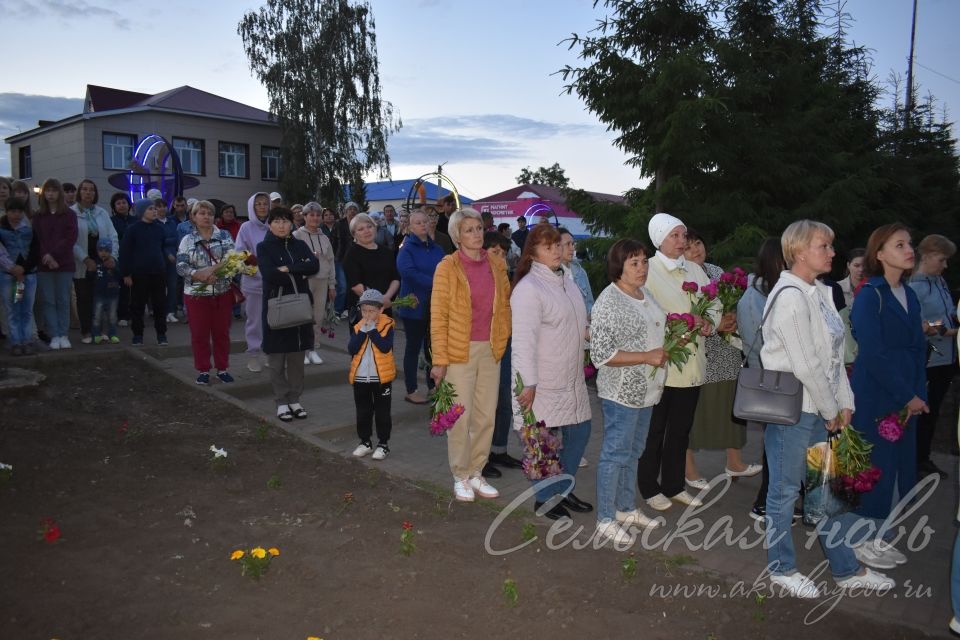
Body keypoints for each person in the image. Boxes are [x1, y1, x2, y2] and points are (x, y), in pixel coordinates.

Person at [761, 219, 892, 598]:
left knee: (827, 492)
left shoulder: (818, 291)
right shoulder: (788, 296)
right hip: (796, 412)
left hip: (820, 409)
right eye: (824, 246)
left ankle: (845, 569)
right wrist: (831, 408)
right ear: (799, 252)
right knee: (784, 493)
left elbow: (834, 356)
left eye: (831, 246)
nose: (833, 252)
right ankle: (781, 568)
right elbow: (804, 365)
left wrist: (844, 402)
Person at [849, 223, 927, 568]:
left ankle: (881, 534)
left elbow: (916, 346)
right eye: (899, 244)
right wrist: (906, 394)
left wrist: (917, 393)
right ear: (879, 254)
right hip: (878, 395)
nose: (909, 249)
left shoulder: (908, 294)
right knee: (875, 465)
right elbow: (873, 353)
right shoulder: (871, 295)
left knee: (897, 466)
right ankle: (860, 539)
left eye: (909, 243)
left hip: (904, 392)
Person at [638, 213, 722, 512]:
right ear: (659, 238)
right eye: (675, 235)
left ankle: (674, 485)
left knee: (680, 430)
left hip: (691, 364)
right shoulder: (648, 269)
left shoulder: (695, 271)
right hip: (662, 365)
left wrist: (709, 322)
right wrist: (682, 322)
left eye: (683, 235)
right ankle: (649, 487)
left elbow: (713, 302)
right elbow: (644, 310)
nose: (682, 241)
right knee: (655, 430)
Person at [590, 239, 670, 543]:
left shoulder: (644, 293)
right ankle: (605, 518)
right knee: (614, 453)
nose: (642, 268)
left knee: (634, 452)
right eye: (634, 263)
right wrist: (647, 356)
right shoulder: (609, 301)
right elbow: (601, 354)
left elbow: (657, 326)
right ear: (619, 267)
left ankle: (625, 507)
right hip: (621, 393)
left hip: (647, 390)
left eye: (644, 262)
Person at [512, 223, 592, 520]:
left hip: (570, 377)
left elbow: (578, 323)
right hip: (541, 380)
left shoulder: (567, 282)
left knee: (580, 431)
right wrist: (527, 384)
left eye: (558, 245)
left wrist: (593, 335)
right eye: (549, 247)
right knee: (541, 442)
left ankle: (563, 489)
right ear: (532, 253)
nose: (557, 251)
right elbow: (522, 341)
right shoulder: (528, 289)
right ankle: (544, 497)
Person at [430, 207, 511, 502]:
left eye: (478, 228)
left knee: (485, 415)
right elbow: (438, 317)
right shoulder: (447, 267)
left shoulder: (496, 264)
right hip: (457, 352)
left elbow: (504, 306)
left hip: (490, 350)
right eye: (469, 230)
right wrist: (439, 361)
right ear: (456, 236)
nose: (476, 234)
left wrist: (502, 339)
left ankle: (477, 471)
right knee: (459, 417)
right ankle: (460, 474)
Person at [683, 228, 761, 488]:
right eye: (688, 246)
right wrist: (716, 325)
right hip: (698, 354)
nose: (695, 250)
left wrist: (733, 319)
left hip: (727, 352)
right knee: (694, 414)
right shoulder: (681, 278)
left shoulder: (717, 272)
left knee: (731, 408)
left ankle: (734, 462)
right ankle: (689, 469)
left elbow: (736, 304)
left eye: (698, 243)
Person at [736, 238, 788, 521]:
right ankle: (765, 501)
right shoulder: (756, 296)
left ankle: (775, 498)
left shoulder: (778, 290)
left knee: (781, 442)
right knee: (778, 443)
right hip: (772, 379)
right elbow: (757, 341)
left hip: (781, 378)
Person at [257, 207, 319, 421]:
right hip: (277, 307)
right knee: (276, 360)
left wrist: (288, 269)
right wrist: (297, 270)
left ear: (292, 224)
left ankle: (295, 399)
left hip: (300, 308)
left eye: (285, 221)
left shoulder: (300, 244)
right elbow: (270, 274)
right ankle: (281, 401)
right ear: (270, 224)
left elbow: (314, 265)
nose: (281, 225)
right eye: (277, 221)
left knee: (296, 358)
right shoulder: (264, 247)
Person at [909, 234, 958, 478]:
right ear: (926, 256)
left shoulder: (939, 282)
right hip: (929, 359)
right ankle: (915, 461)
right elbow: (918, 323)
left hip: (945, 359)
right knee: (924, 412)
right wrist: (944, 329)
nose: (945, 265)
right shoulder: (915, 287)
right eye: (942, 260)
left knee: (935, 411)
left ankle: (923, 457)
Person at [177, 200, 238, 385]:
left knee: (221, 333)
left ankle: (222, 368)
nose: (206, 217)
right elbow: (181, 266)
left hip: (221, 293)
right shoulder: (187, 240)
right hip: (196, 295)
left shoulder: (225, 235)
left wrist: (214, 273)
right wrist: (198, 275)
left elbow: (233, 261)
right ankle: (203, 369)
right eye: (201, 213)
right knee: (199, 334)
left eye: (210, 213)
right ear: (193, 217)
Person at [395, 209, 446, 404]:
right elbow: (408, 272)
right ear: (409, 226)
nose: (423, 225)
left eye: (425, 221)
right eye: (418, 222)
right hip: (414, 305)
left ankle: (433, 386)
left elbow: (446, 269)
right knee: (413, 347)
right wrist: (437, 282)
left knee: (432, 348)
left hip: (436, 305)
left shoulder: (437, 249)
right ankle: (411, 389)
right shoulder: (406, 248)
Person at [483, 232, 523, 476]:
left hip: (506, 343)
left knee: (505, 399)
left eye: (503, 254)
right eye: (494, 252)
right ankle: (481, 455)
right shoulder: (477, 277)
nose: (500, 258)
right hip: (483, 345)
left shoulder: (506, 278)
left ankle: (499, 449)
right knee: (486, 403)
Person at [348, 288, 397, 460]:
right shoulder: (358, 326)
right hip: (361, 378)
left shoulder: (387, 325)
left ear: (380, 310)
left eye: (371, 311)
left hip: (381, 379)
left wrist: (373, 331)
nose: (367, 314)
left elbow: (385, 347)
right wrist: (363, 331)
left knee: (383, 412)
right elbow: (352, 349)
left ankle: (383, 444)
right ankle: (365, 442)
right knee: (363, 411)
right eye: (364, 311)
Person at [71, 179, 119, 344]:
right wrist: (85, 258)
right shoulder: (72, 213)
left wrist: (113, 257)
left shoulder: (102, 213)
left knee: (102, 297)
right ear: (79, 192)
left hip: (103, 262)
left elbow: (113, 236)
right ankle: (86, 331)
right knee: (84, 298)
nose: (88, 192)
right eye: (84, 189)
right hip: (82, 262)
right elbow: (71, 241)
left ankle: (102, 330)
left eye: (91, 189)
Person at [33, 178, 79, 350]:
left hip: (64, 264)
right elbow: (37, 239)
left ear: (59, 193)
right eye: (48, 190)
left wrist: (53, 255)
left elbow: (70, 238)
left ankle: (64, 334)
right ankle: (54, 335)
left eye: (54, 190)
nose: (50, 194)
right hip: (44, 265)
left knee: (63, 300)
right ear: (43, 193)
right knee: (48, 301)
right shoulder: (38, 216)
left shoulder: (69, 214)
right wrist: (46, 255)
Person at [119, 199, 168, 346]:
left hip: (158, 272)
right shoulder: (133, 229)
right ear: (141, 212)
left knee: (160, 304)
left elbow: (162, 247)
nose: (154, 211)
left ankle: (161, 334)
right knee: (137, 305)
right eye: (150, 209)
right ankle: (138, 334)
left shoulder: (159, 229)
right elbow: (125, 252)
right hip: (140, 273)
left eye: (155, 209)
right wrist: (126, 273)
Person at [293, 202, 336, 366]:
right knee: (304, 315)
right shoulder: (297, 235)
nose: (315, 218)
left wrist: (332, 285)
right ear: (304, 217)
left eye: (318, 215)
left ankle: (313, 348)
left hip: (322, 281)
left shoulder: (324, 237)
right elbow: (293, 259)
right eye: (311, 215)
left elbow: (331, 262)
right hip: (304, 280)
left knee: (318, 316)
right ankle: (301, 349)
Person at [342, 213, 400, 328]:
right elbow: (355, 285)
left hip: (385, 305)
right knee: (365, 345)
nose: (366, 231)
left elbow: (395, 278)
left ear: (375, 228)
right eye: (361, 229)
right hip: (364, 309)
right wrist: (378, 301)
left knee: (384, 342)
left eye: (369, 226)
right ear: (354, 234)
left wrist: (387, 297)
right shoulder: (352, 254)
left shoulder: (386, 252)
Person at [235, 192, 271, 372]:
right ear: (252, 207)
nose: (263, 206)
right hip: (254, 284)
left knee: (271, 320)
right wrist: (256, 270)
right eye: (258, 204)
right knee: (255, 320)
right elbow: (240, 254)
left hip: (274, 283)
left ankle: (268, 351)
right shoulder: (246, 228)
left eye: (265, 203)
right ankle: (254, 355)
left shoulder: (276, 225)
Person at [0, 197, 40, 355]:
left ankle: (27, 340)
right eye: (12, 211)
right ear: (7, 211)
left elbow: (36, 249)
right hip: (8, 275)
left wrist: (24, 268)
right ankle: (15, 341)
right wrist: (12, 268)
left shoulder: (29, 228)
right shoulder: (1, 229)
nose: (16, 215)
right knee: (12, 309)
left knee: (27, 309)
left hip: (28, 275)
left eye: (19, 211)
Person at [152, 197, 180, 324]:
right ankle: (160, 312)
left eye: (164, 206)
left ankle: (170, 312)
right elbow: (157, 241)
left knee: (173, 286)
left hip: (173, 258)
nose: (162, 208)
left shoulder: (171, 222)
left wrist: (167, 243)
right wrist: (166, 249)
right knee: (159, 287)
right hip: (158, 258)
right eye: (159, 206)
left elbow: (175, 239)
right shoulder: (153, 223)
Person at [109, 193, 135, 326]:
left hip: (135, 258)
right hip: (118, 258)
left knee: (135, 288)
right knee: (121, 288)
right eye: (118, 203)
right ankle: (122, 315)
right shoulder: (111, 221)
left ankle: (134, 313)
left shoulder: (135, 220)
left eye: (124, 202)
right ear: (114, 206)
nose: (122, 205)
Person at [333, 201, 360, 317]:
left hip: (356, 259)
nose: (352, 211)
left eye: (354, 209)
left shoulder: (360, 223)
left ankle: (352, 309)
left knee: (354, 286)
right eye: (350, 209)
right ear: (346, 211)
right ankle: (337, 311)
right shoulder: (339, 223)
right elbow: (333, 240)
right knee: (342, 286)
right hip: (341, 258)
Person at [91, 238, 121, 344]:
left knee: (112, 316)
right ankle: (96, 335)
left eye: (106, 250)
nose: (103, 253)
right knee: (97, 316)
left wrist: (114, 268)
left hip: (112, 295)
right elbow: (90, 277)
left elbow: (120, 275)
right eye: (101, 250)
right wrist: (91, 271)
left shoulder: (114, 262)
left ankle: (112, 334)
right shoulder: (95, 262)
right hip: (99, 294)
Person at [559, 228, 594, 316]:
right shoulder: (552, 275)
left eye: (573, 244)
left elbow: (590, 301)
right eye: (568, 244)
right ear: (557, 246)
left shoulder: (581, 272)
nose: (572, 248)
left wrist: (589, 315)